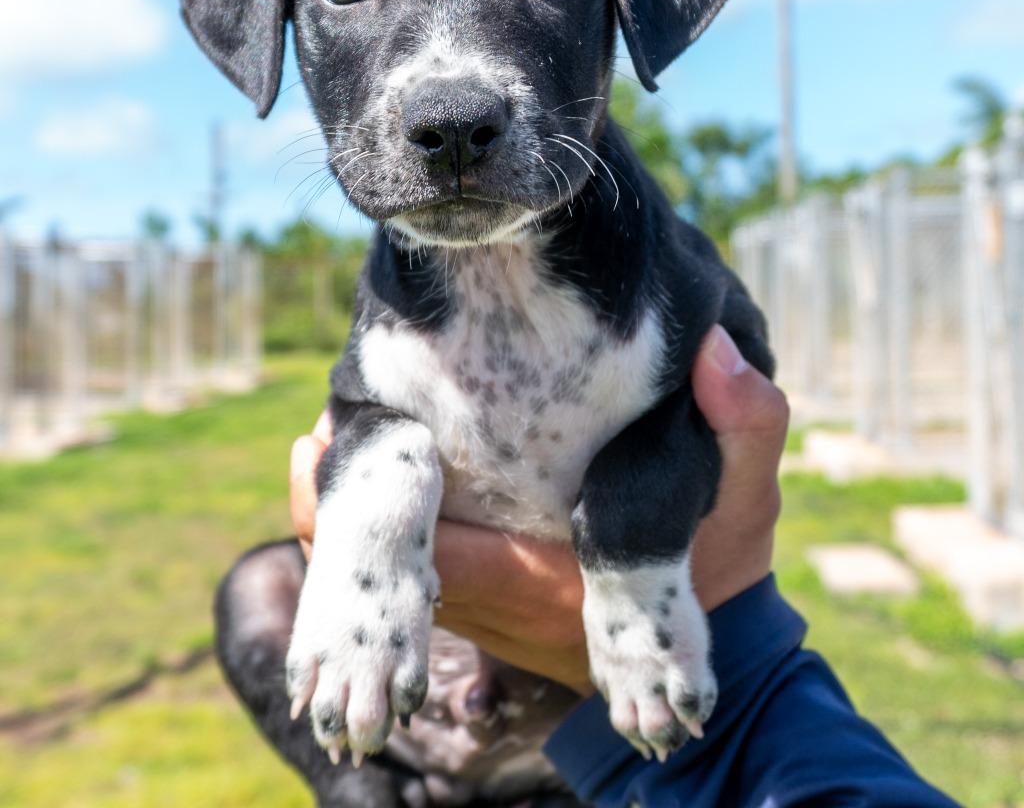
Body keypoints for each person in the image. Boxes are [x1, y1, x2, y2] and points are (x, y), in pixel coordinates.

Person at [289, 326, 959, 807]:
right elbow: (354, 412)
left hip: (621, 722)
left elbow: (712, 371)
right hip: (436, 718)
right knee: (261, 590)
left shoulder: (656, 272)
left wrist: (657, 591)